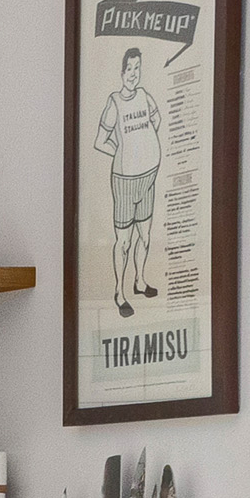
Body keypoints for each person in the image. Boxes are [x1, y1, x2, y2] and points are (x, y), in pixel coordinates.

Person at [97, 43, 165, 311]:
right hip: (125, 181)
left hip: (149, 176)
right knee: (124, 240)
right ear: (121, 71)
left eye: (137, 68)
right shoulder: (114, 102)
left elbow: (156, 120)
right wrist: (124, 151)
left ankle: (140, 280)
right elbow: (101, 140)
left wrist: (145, 146)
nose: (133, 73)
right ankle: (119, 293)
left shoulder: (145, 96)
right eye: (129, 68)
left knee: (145, 235)